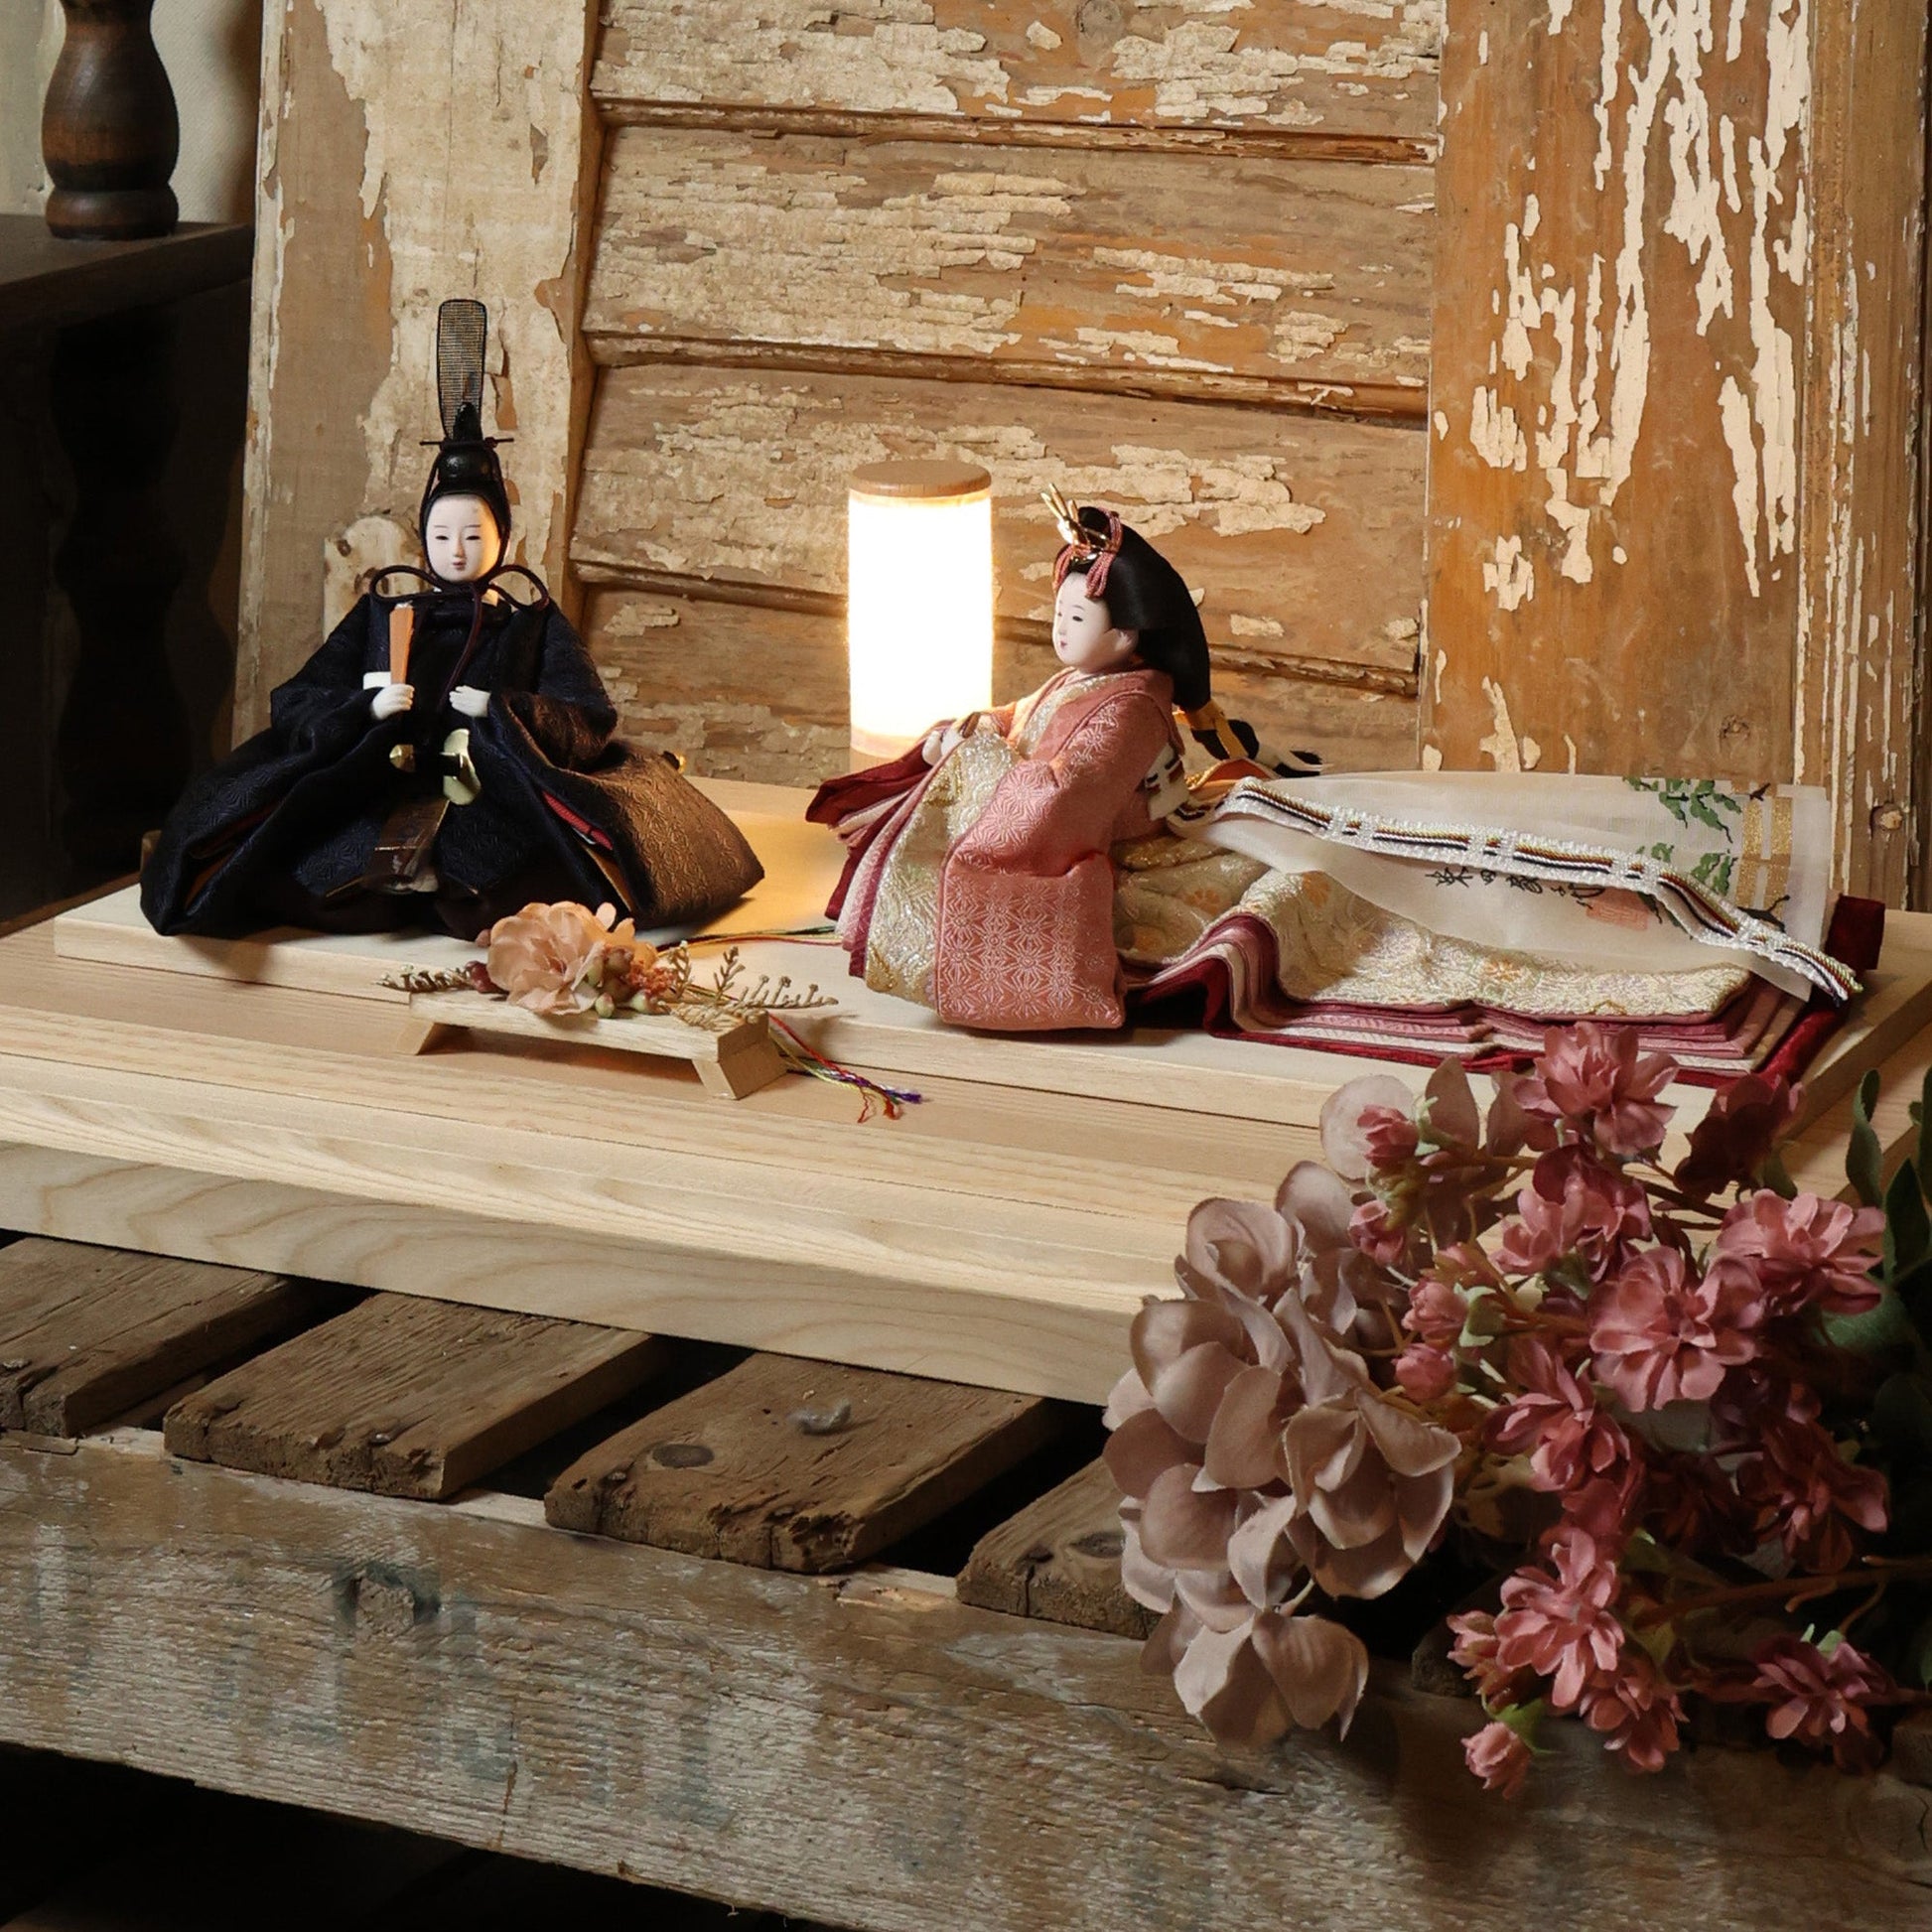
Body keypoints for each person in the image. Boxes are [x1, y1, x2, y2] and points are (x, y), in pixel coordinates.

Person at [142, 301, 761, 939]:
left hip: (490, 792)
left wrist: (503, 710)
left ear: (502, 539)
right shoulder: (386, 614)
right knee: (322, 859)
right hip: (378, 782)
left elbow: (587, 717)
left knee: (513, 865)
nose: (457, 551)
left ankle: (454, 883)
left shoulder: (529, 623)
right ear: (425, 538)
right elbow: (297, 700)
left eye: (473, 535)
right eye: (442, 535)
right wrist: (366, 707)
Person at [808, 492, 1297, 1031]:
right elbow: (1018, 717)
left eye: (1078, 616)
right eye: (1059, 613)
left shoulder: (1133, 708)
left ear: (1124, 634)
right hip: (1061, 823)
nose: (1061, 627)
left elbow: (1070, 794)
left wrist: (975, 758)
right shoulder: (1079, 679)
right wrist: (963, 731)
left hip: (1118, 847)